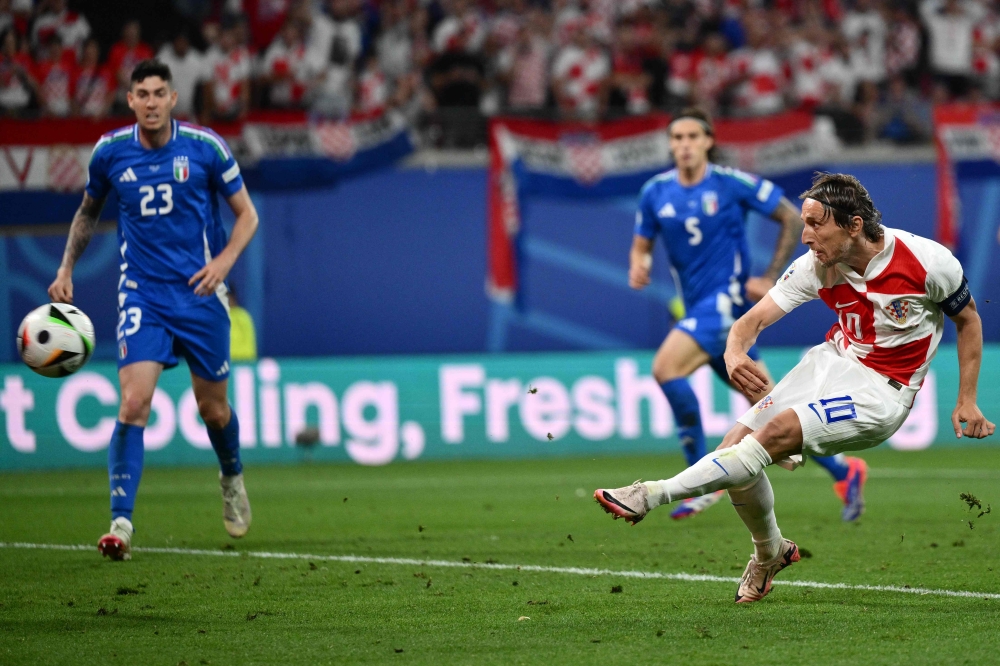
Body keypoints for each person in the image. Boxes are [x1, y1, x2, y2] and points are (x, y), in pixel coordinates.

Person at [596, 172, 995, 602]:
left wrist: (967, 399)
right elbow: (750, 323)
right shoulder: (815, 266)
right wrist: (733, 352)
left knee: (772, 435)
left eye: (816, 224)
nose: (805, 236)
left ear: (853, 225)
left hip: (882, 391)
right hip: (832, 362)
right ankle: (770, 552)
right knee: (735, 443)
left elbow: (968, 319)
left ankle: (651, 494)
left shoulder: (927, 261)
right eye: (803, 224)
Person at [48, 59, 259, 561]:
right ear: (130, 100)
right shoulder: (110, 153)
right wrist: (65, 270)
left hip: (201, 295)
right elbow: (87, 212)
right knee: (133, 404)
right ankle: (120, 523)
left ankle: (231, 475)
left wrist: (224, 263)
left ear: (172, 99)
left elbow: (247, 215)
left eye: (159, 93)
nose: (150, 102)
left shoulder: (205, 148)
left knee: (213, 409)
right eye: (141, 93)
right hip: (142, 295)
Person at [629, 109, 868, 522]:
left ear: (708, 141)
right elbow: (641, 243)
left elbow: (790, 216)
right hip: (695, 305)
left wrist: (770, 277)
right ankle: (845, 471)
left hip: (725, 303)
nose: (683, 144)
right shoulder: (655, 192)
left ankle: (698, 480)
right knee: (765, 403)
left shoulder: (730, 183)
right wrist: (639, 262)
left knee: (666, 368)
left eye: (691, 136)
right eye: (677, 137)